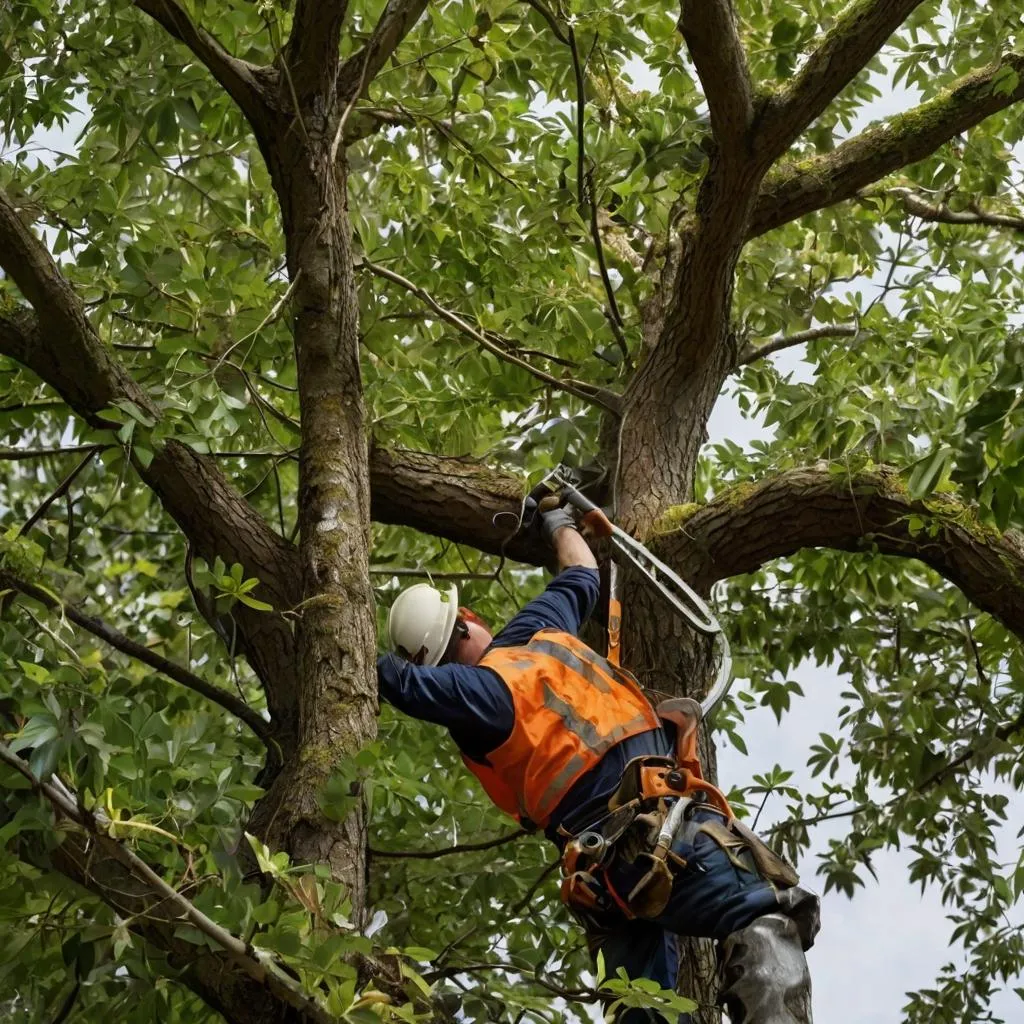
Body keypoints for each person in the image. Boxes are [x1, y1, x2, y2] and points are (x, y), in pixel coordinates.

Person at [377, 505, 820, 1024]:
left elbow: (581, 575)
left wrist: (557, 520)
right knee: (767, 911)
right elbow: (582, 568)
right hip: (650, 835)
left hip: (600, 876)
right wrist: (558, 519)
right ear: (468, 619)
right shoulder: (511, 659)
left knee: (641, 1009)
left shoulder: (504, 661)